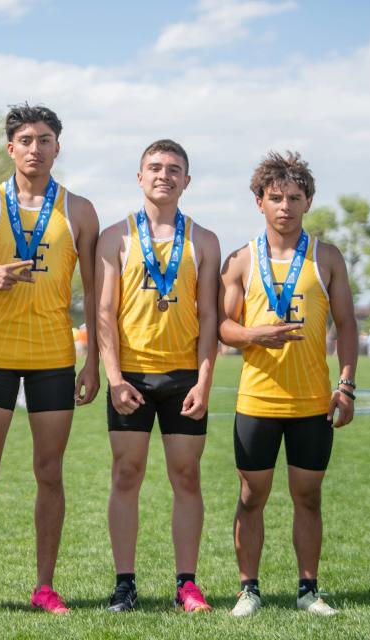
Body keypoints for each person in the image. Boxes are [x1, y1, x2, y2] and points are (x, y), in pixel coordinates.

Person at [0, 103, 100, 615]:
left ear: (58, 147)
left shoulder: (78, 210)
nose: (35, 149)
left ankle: (45, 586)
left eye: (45, 140)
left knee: (50, 472)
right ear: (10, 147)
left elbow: (97, 291)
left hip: (54, 356)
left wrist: (94, 360)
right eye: (26, 140)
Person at [218, 151, 357, 617]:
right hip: (257, 400)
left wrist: (347, 385)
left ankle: (308, 590)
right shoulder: (240, 259)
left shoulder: (328, 257)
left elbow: (348, 326)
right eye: (275, 197)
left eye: (294, 198)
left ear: (309, 202)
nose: (285, 206)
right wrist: (257, 334)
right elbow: (223, 327)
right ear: (259, 202)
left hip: (313, 401)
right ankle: (248, 590)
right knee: (251, 496)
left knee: (308, 497)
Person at [95, 139, 220, 613]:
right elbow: (104, 313)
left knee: (186, 477)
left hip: (184, 376)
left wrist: (205, 381)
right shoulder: (116, 236)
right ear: (140, 176)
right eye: (155, 167)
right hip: (131, 378)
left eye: (174, 169)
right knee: (126, 475)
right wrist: (114, 377)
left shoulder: (203, 240)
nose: (164, 175)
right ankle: (124, 583)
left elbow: (209, 317)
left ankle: (186, 584)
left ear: (186, 180)